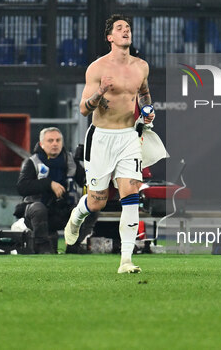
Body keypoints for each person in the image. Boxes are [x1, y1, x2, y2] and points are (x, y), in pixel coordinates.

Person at [64, 14, 155, 273]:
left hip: (128, 136)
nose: (126, 31)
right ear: (110, 37)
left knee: (131, 193)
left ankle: (126, 260)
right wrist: (100, 92)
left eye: (128, 28)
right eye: (120, 28)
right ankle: (76, 216)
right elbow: (83, 109)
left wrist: (148, 109)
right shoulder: (97, 68)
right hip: (101, 137)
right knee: (97, 202)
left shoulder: (141, 66)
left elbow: (144, 93)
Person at [16, 127, 95, 254]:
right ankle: (42, 247)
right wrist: (49, 183)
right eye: (50, 140)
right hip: (36, 213)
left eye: (58, 140)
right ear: (42, 144)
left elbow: (85, 181)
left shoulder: (70, 161)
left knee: (91, 207)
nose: (54, 144)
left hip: (64, 210)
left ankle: (74, 245)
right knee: (37, 208)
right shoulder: (32, 162)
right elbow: (22, 187)